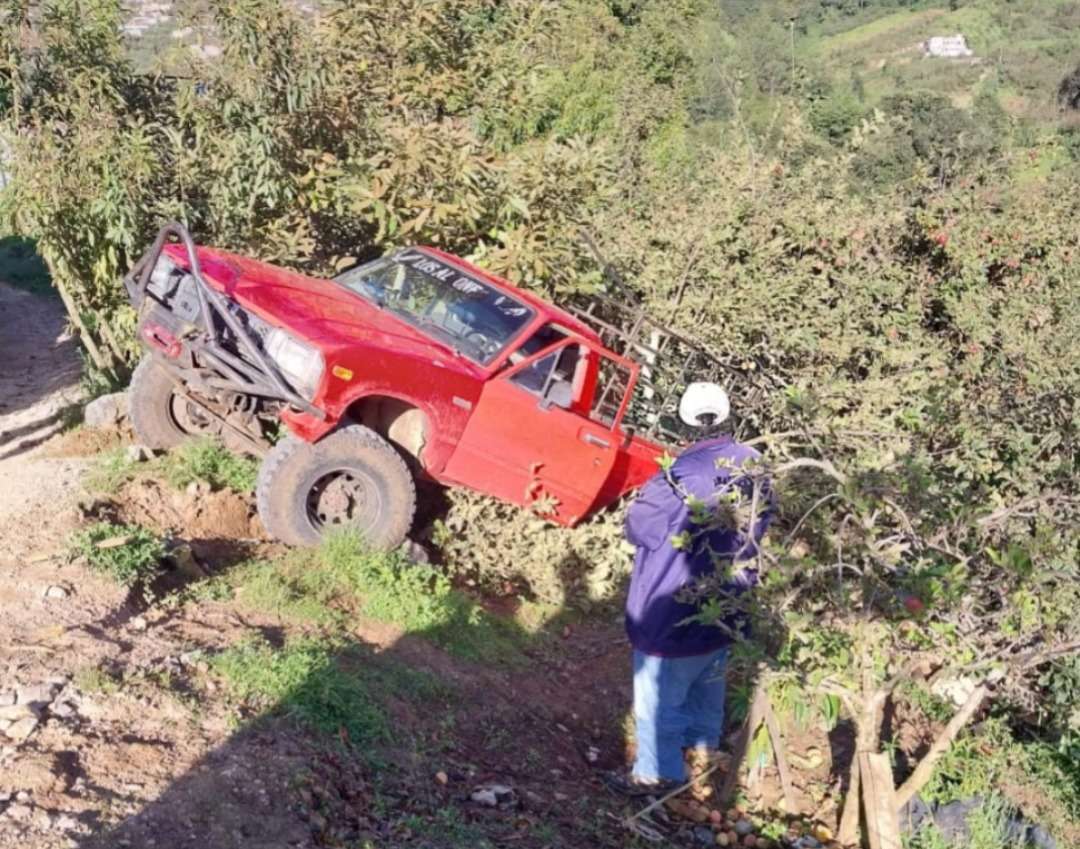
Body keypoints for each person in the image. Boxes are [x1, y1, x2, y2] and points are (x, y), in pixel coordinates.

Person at [606, 383, 774, 796]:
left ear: (683, 426)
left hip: (672, 608)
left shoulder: (678, 476)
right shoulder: (755, 465)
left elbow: (640, 528)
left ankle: (658, 779)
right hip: (729, 604)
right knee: (708, 685)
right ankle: (704, 761)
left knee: (660, 699)